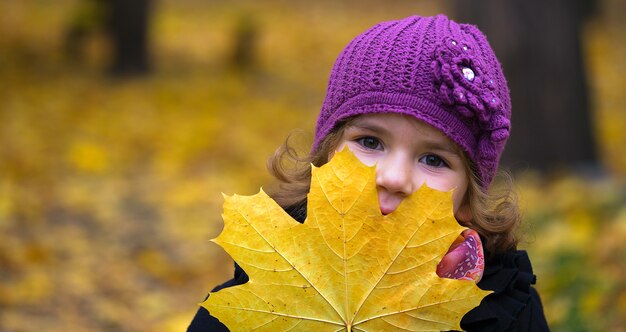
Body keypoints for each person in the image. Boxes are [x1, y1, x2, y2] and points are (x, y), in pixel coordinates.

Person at [188, 14, 549, 331]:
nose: (393, 178)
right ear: (325, 156)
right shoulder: (251, 304)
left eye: (434, 160)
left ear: (470, 199)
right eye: (371, 142)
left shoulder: (506, 314)